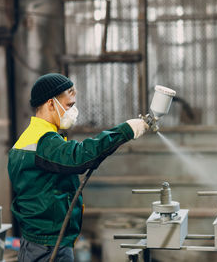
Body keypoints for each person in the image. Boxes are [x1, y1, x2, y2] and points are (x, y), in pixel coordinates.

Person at [8, 73, 148, 261]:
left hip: (36, 242)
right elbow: (80, 156)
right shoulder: (44, 141)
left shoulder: (27, 139)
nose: (73, 111)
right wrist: (125, 130)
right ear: (50, 104)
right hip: (49, 247)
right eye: (69, 105)